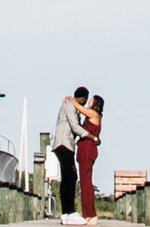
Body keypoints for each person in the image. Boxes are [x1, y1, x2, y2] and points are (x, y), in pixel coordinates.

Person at [54, 86, 89, 222]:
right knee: (71, 176)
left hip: (66, 144)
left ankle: (66, 213)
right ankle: (69, 211)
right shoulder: (69, 106)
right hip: (64, 143)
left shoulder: (72, 106)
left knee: (68, 177)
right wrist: (90, 136)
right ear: (83, 98)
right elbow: (75, 126)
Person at [75, 96, 104, 222]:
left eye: (91, 100)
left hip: (87, 149)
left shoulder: (94, 114)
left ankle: (90, 214)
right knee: (85, 181)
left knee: (86, 182)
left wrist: (71, 99)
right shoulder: (92, 115)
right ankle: (87, 213)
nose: (89, 101)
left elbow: (79, 108)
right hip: (86, 148)